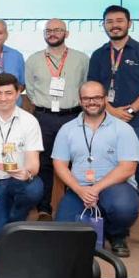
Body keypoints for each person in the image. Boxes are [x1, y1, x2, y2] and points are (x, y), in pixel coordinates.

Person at [88, 5, 139, 240]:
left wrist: (129, 110)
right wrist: (110, 110)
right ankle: (111, 230)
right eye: (109, 21)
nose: (114, 25)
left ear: (129, 23)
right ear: (104, 25)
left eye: (119, 20)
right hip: (106, 125)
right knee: (105, 176)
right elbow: (94, 89)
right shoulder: (99, 54)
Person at [53, 81, 139, 257]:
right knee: (62, 230)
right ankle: (95, 226)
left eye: (97, 97)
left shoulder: (123, 129)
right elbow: (59, 165)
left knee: (123, 207)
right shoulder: (67, 129)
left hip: (115, 187)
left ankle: (117, 235)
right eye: (86, 98)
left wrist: (94, 189)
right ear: (80, 101)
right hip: (80, 188)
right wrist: (80, 190)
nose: (91, 102)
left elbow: (128, 168)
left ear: (105, 99)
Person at [24, 19, 89, 220]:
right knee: (44, 164)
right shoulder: (33, 59)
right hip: (43, 117)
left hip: (73, 116)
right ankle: (44, 209)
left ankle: (73, 206)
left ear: (66, 33)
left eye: (57, 30)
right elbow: (30, 90)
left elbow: (86, 86)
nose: (52, 33)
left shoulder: (81, 59)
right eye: (48, 30)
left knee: (75, 163)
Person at [0, 73, 44, 240]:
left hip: (17, 180)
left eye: (8, 93)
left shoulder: (29, 121)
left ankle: (16, 217)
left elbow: (34, 163)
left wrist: (27, 173)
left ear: (18, 93)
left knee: (34, 188)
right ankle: (5, 214)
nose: (3, 98)